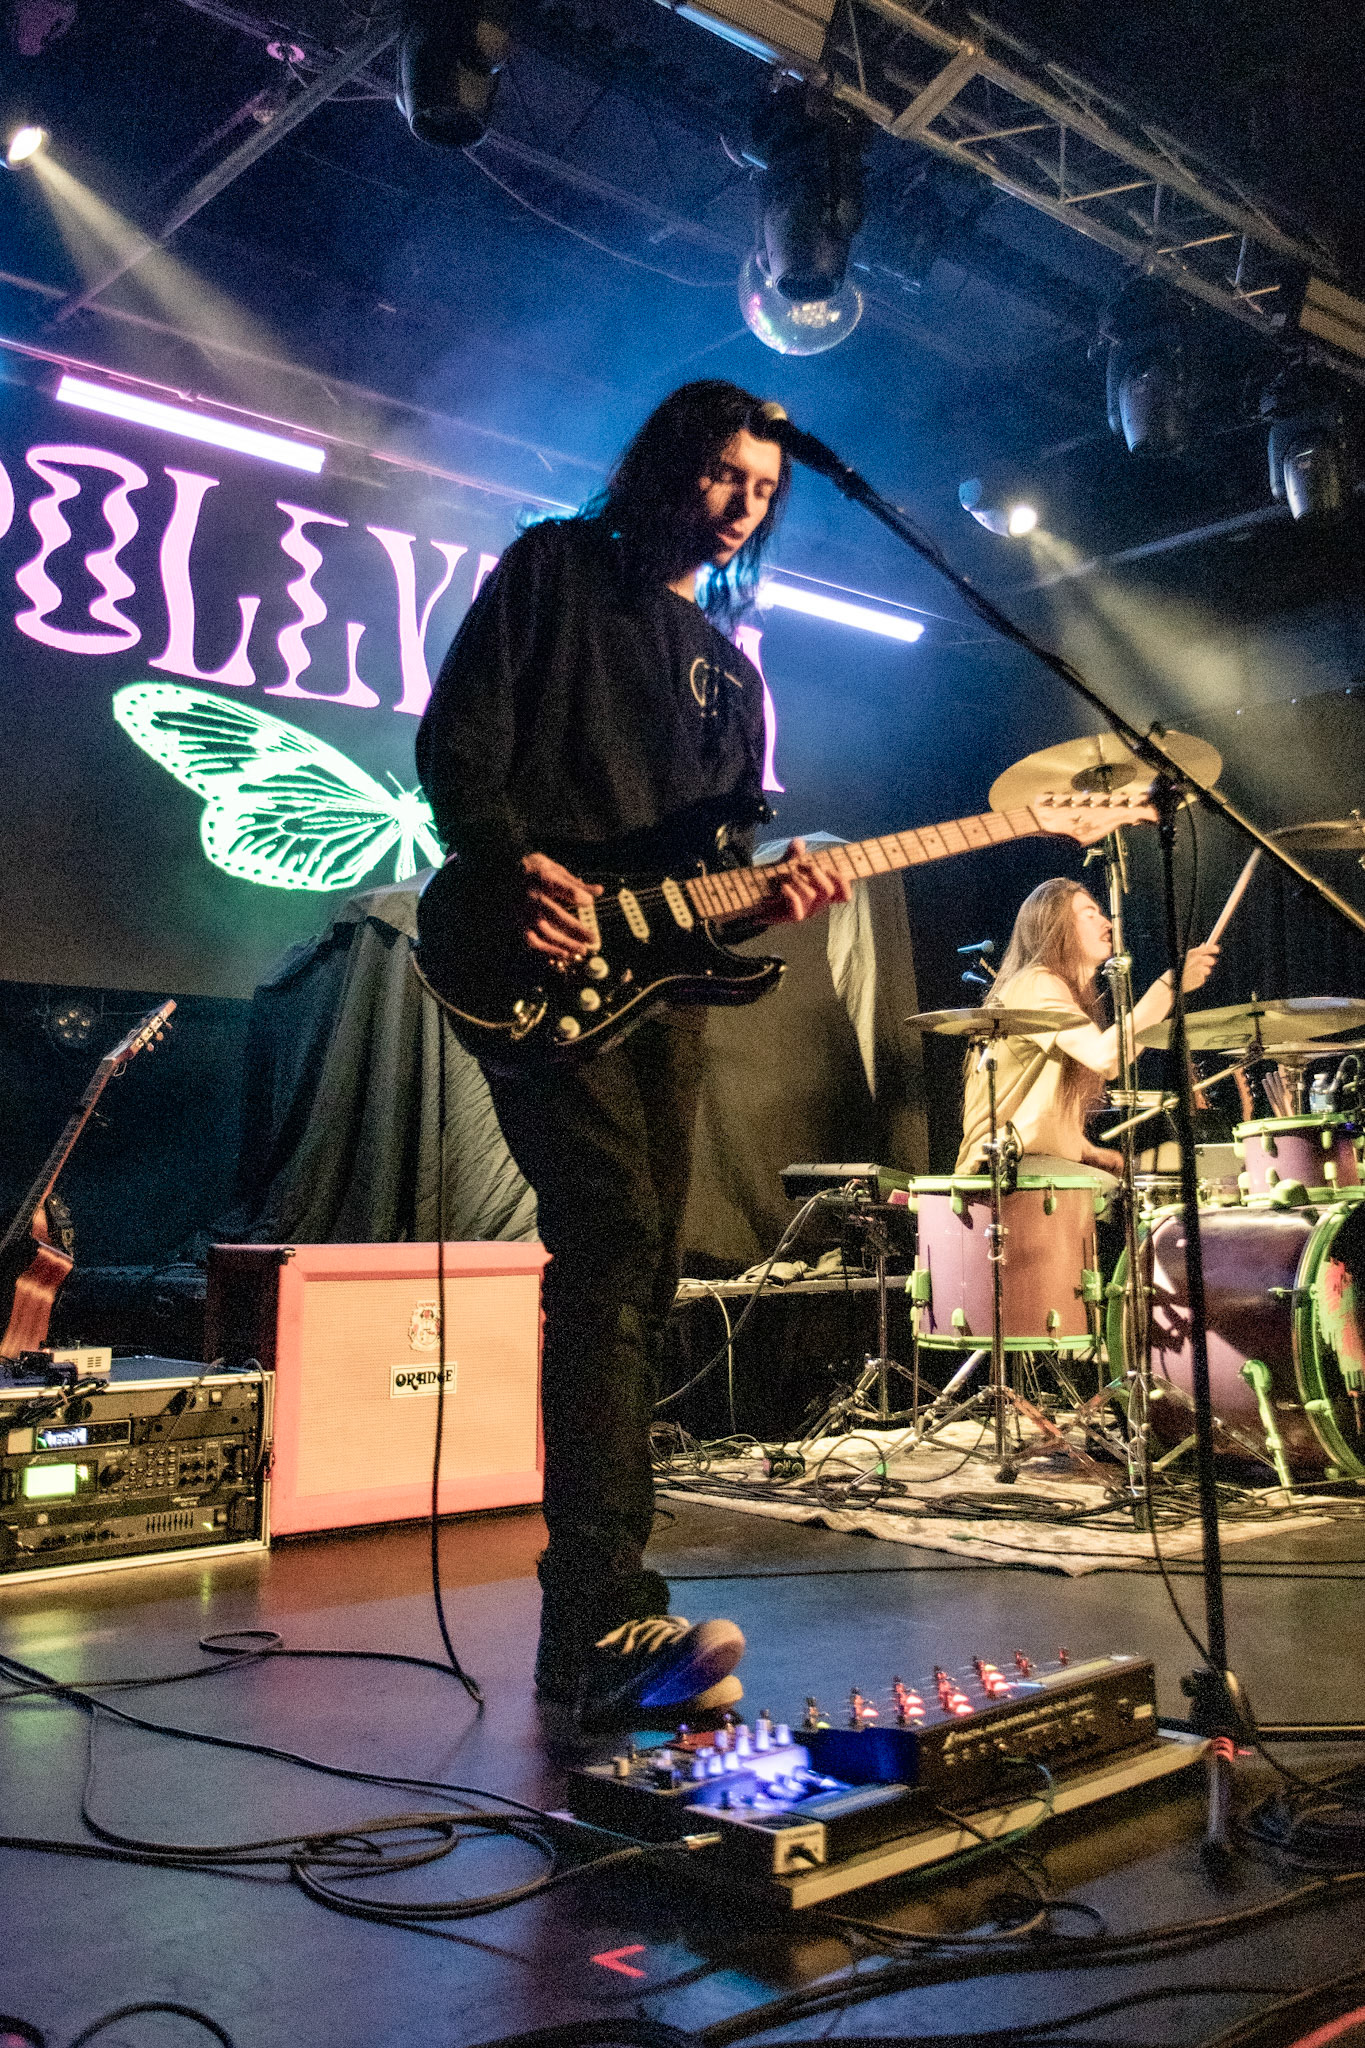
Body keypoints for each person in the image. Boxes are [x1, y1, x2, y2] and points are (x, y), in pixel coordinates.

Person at [415, 382, 849, 1734]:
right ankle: (598, 1620)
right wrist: (508, 864)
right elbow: (457, 746)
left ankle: (604, 1624)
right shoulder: (554, 568)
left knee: (641, 1271)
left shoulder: (731, 668)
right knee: (608, 1241)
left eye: (763, 491)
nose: (741, 506)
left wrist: (769, 896)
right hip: (528, 956)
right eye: (723, 475)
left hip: (660, 996)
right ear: (666, 465)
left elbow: (710, 881)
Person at [956, 877, 1218, 1181]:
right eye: (1089, 914)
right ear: (1054, 927)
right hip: (1001, 1170)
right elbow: (1107, 1058)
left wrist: (1087, 1151)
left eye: (1101, 913)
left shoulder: (1048, 987)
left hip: (1024, 1165)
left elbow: (1034, 1104)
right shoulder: (1037, 982)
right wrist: (1169, 986)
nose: (1106, 922)